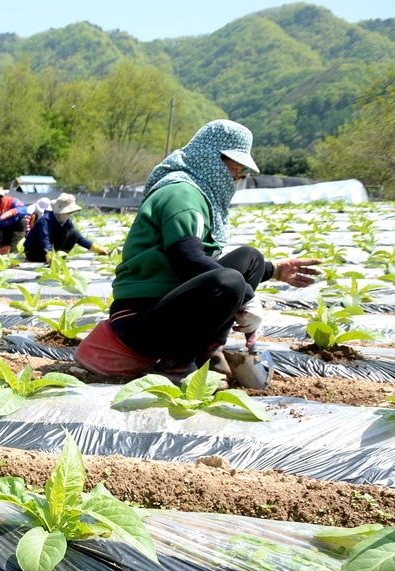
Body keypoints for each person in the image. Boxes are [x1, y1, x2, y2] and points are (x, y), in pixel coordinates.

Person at [74, 120, 322, 382]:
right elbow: (188, 259)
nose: (234, 178)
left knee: (251, 259)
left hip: (168, 306)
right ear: (211, 159)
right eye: (233, 169)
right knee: (229, 281)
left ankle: (209, 352)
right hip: (138, 317)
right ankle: (177, 365)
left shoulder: (198, 193)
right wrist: (247, 297)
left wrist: (274, 271)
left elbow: (202, 262)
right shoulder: (181, 193)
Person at [23, 193, 108, 264]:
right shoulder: (45, 220)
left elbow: (78, 238)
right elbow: (45, 238)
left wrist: (95, 248)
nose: (70, 214)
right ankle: (50, 258)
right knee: (64, 234)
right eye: (68, 212)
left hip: (49, 250)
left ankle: (60, 257)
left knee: (73, 232)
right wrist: (48, 253)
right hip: (34, 251)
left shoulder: (66, 221)